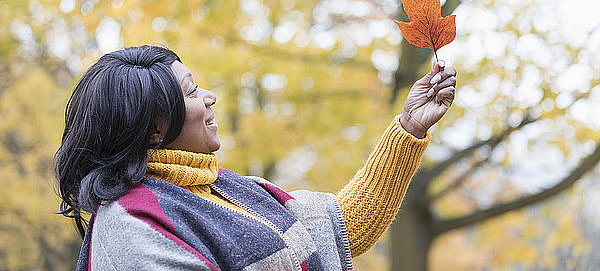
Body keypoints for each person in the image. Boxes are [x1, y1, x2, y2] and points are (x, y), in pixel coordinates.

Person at [55, 45, 457, 271]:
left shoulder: (225, 190)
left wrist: (409, 129)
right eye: (192, 92)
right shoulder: (134, 224)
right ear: (155, 129)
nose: (209, 97)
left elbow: (347, 225)